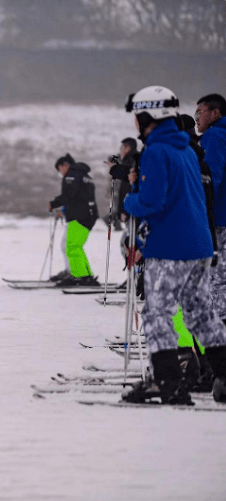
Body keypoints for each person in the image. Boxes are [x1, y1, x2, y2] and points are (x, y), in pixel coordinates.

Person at [121, 85, 226, 404]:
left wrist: (130, 200)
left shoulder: (156, 150)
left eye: (137, 117)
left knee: (157, 313)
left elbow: (153, 201)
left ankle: (167, 381)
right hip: (199, 244)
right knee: (200, 313)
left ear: (147, 116)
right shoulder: (186, 147)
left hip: (171, 246)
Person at [195, 94, 226, 329]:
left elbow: (209, 177)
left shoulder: (215, 135)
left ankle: (218, 331)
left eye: (201, 111)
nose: (197, 116)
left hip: (218, 217)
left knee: (217, 276)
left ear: (215, 113)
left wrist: (196, 208)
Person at [48, 153, 99, 286]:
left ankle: (79, 276)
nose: (60, 172)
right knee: (76, 246)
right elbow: (78, 196)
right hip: (87, 214)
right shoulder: (84, 175)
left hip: (80, 215)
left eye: (60, 169)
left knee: (72, 246)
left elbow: (69, 195)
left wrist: (54, 203)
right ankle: (86, 275)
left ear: (66, 165)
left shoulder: (71, 175)